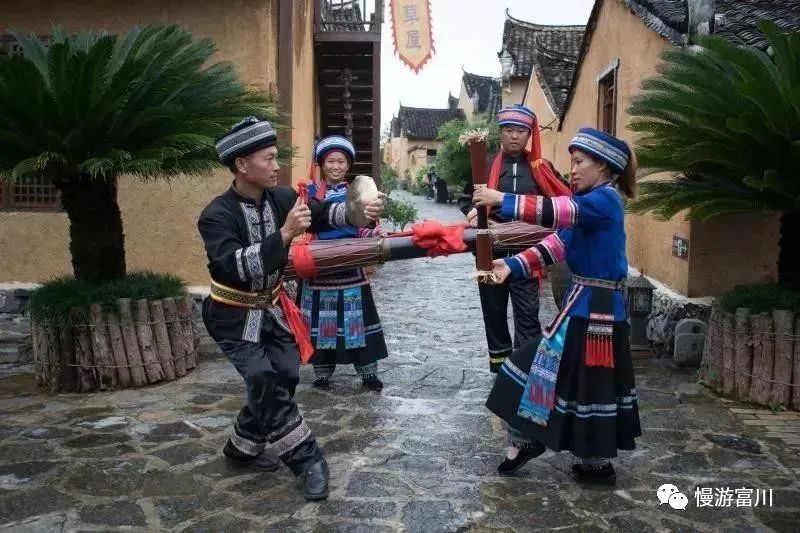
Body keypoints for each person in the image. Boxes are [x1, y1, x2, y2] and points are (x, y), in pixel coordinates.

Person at [197, 117, 384, 500]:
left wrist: (357, 212)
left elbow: (322, 213)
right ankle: (306, 458)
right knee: (263, 377)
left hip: (274, 307)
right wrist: (283, 234)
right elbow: (232, 265)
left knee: (285, 373)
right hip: (232, 315)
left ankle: (241, 446)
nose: (276, 165)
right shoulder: (216, 215)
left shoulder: (282, 198)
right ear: (241, 165)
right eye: (268, 158)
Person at [477, 127, 642, 485]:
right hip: (581, 306)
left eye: (581, 162)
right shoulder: (588, 207)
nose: (574, 170)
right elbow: (558, 244)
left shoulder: (604, 201)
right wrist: (512, 265)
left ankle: (585, 459)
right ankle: (552, 448)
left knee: (581, 381)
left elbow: (556, 211)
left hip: (597, 313)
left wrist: (501, 198)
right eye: (573, 162)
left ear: (604, 167)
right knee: (566, 378)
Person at [459, 104, 571, 373]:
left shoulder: (542, 168)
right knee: (494, 312)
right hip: (490, 252)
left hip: (527, 253)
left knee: (528, 312)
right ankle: (499, 367)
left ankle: (522, 368)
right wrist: (472, 212)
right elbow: (465, 199)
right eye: (509, 130)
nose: (514, 136)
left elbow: (558, 201)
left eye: (520, 131)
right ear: (501, 133)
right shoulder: (483, 165)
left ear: (529, 134)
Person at [300, 135, 389, 391]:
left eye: (341, 161)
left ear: (348, 166)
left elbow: (363, 227)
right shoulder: (310, 193)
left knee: (357, 320)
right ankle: (322, 373)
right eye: (330, 161)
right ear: (322, 164)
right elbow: (308, 226)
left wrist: (373, 234)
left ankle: (368, 373)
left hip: (351, 267)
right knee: (321, 321)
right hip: (320, 268)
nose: (336, 166)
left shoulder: (358, 193)